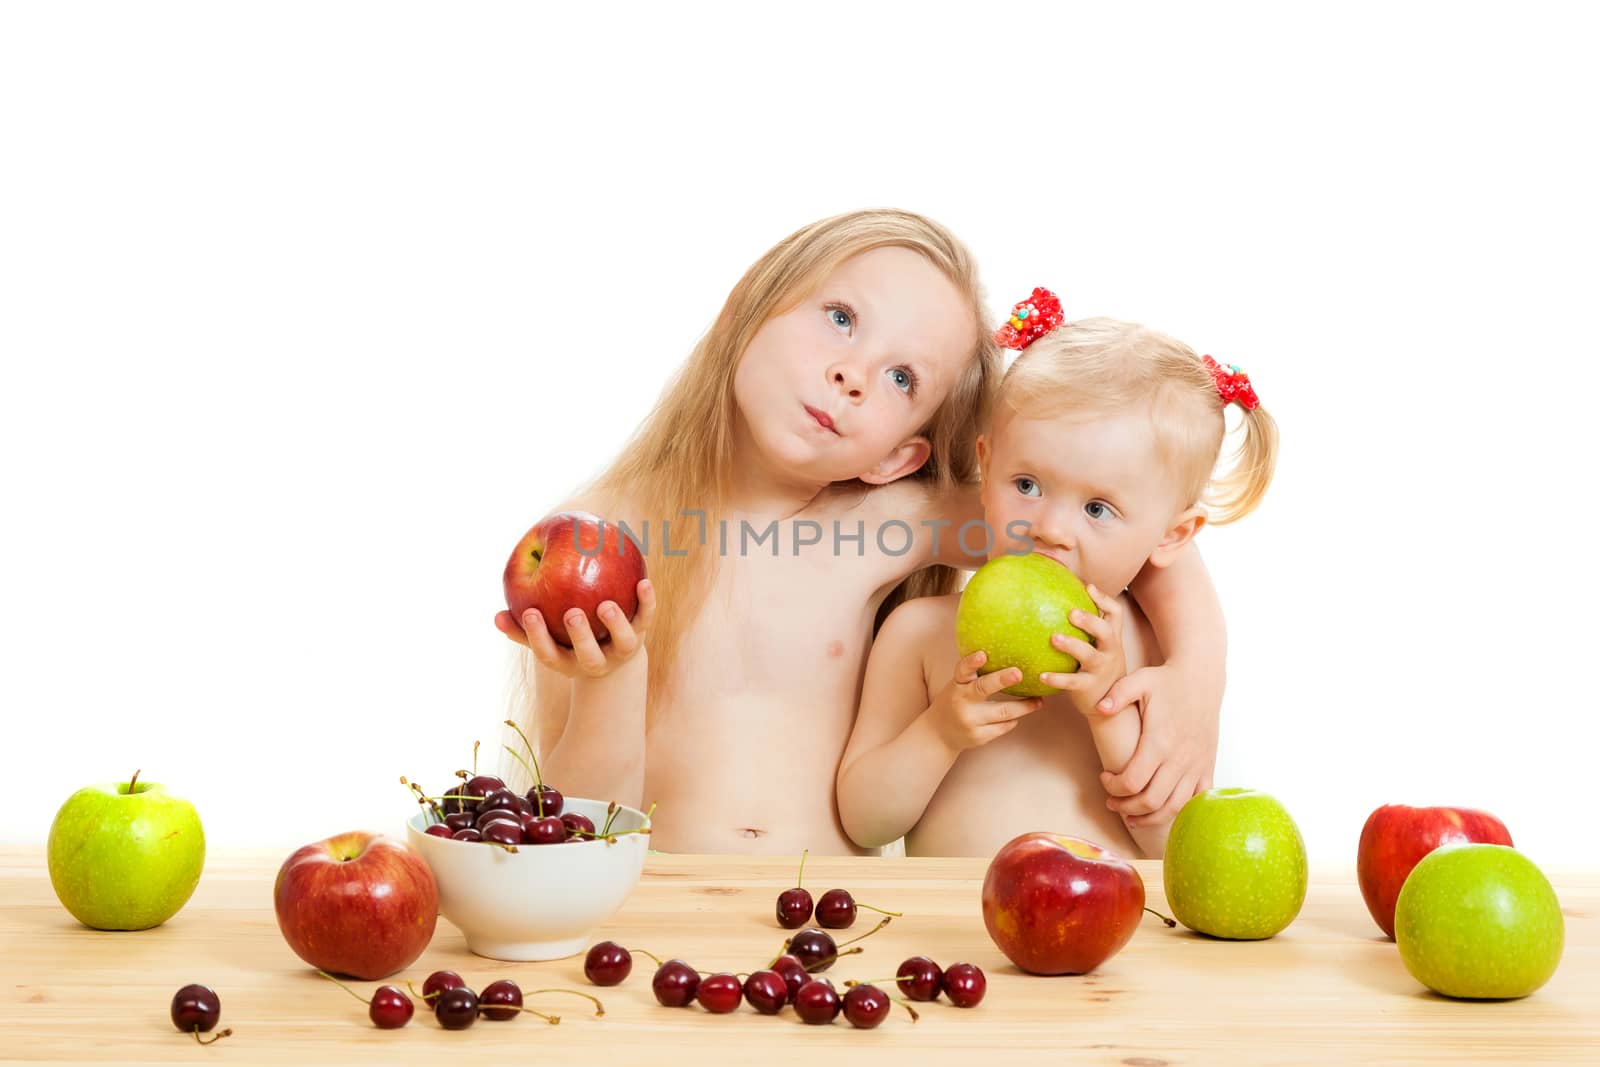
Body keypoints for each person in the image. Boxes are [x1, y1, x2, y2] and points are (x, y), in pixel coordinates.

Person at [494, 217, 1229, 854]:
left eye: (903, 378)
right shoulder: (602, 540)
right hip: (664, 918)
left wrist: (1199, 670)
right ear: (746, 305)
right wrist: (610, 681)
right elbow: (577, 831)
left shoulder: (885, 525)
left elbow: (1110, 529)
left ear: (898, 456)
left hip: (829, 929)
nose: (853, 374)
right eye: (842, 318)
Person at [837, 295, 1278, 858]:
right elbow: (864, 821)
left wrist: (1107, 715)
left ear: (1172, 535)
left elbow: (1174, 848)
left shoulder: (1156, 667)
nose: (1051, 530)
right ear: (987, 463)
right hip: (952, 936)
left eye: (1097, 509)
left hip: (1112, 936)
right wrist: (941, 731)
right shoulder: (919, 633)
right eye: (1026, 485)